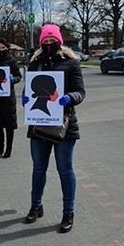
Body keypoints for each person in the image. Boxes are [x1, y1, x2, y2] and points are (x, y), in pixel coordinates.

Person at [23, 23, 85, 231]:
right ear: (41, 42)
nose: (49, 44)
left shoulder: (71, 63)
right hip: (39, 125)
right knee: (38, 169)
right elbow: (28, 89)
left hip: (64, 126)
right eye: (45, 41)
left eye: (52, 40)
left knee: (65, 169)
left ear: (59, 41)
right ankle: (36, 206)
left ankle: (69, 212)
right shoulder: (35, 63)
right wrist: (25, 98)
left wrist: (70, 98)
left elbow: (80, 92)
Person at [0, 38, 22, 158]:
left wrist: (14, 79)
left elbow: (19, 75)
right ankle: (0, 146)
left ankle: (9, 148)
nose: (1, 49)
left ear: (7, 47)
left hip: (8, 97)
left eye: (3, 47)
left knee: (9, 124)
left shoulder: (12, 60)